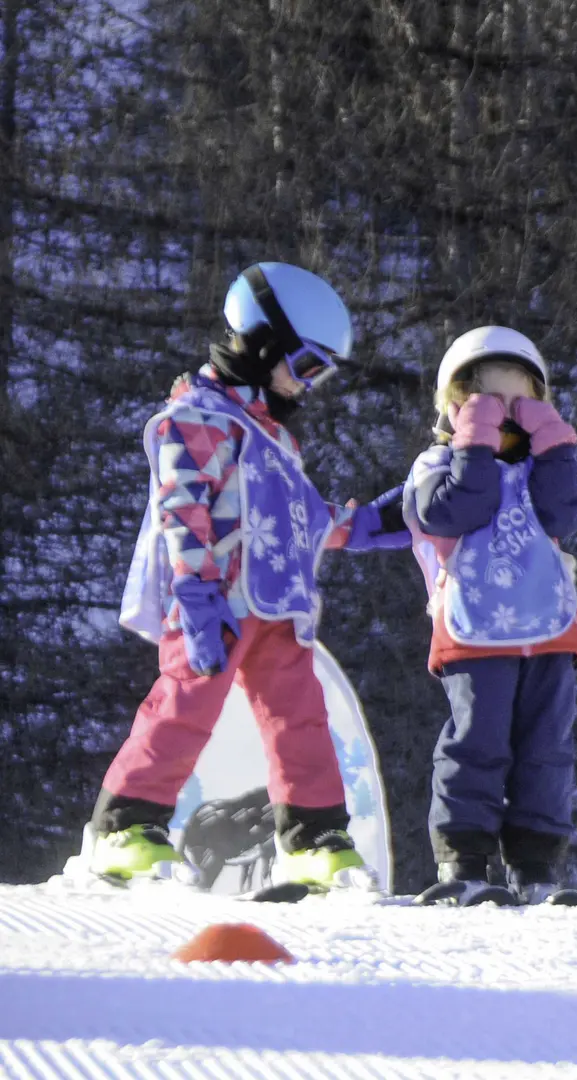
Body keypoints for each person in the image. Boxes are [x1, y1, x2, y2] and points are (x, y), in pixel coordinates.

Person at [91, 262, 407, 891]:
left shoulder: (274, 441)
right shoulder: (200, 418)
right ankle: (124, 824)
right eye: (309, 366)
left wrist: (375, 522)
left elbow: (307, 521)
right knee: (185, 706)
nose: (311, 386)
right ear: (265, 347)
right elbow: (180, 508)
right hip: (219, 605)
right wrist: (196, 593)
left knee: (302, 719)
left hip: (280, 610)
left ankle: (313, 837)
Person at [401, 326, 577, 907]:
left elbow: (566, 513)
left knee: (546, 748)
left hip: (549, 628)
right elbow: (451, 512)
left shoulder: (542, 471)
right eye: (487, 403)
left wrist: (555, 448)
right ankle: (464, 859)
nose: (505, 418)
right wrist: (475, 443)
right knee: (476, 742)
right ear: (456, 407)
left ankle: (537, 866)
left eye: (519, 405)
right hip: (476, 628)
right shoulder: (436, 463)